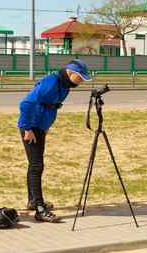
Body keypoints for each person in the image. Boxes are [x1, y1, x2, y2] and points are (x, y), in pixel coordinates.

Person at [17, 59, 91, 222]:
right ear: (71, 73)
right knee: (37, 166)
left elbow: (51, 106)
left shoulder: (64, 85)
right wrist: (27, 128)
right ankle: (39, 209)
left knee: (34, 165)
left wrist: (46, 126)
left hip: (40, 126)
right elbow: (26, 104)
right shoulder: (51, 83)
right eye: (79, 78)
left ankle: (32, 201)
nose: (81, 82)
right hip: (31, 126)